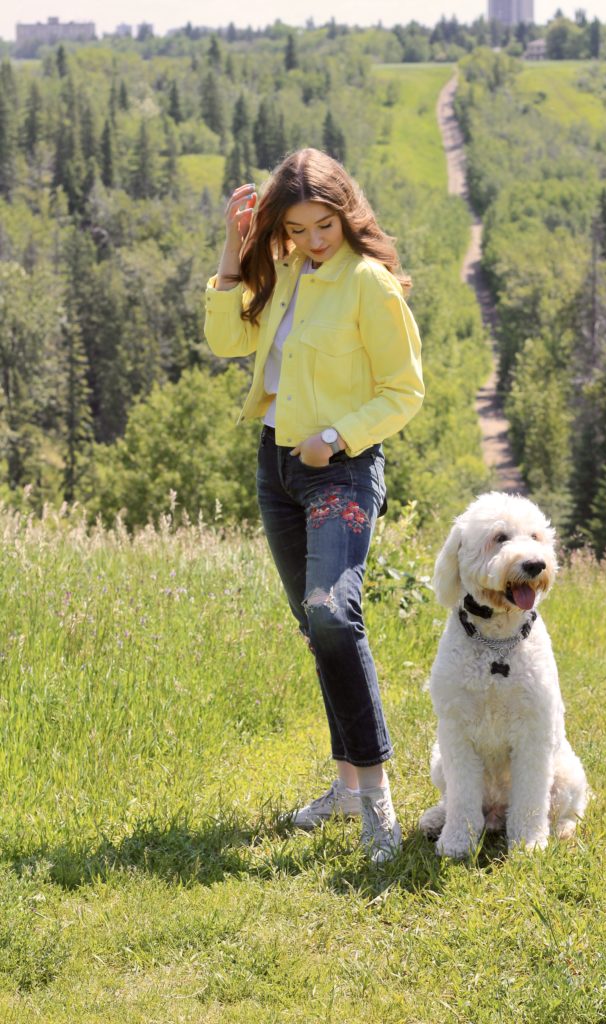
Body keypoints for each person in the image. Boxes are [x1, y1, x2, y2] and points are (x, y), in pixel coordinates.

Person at [204, 148, 423, 862]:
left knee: (334, 612)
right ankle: (347, 787)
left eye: (323, 223)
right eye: (296, 227)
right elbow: (225, 339)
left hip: (342, 470)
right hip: (276, 466)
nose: (311, 239)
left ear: (345, 211)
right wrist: (235, 257)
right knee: (313, 625)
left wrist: (336, 437)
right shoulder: (287, 273)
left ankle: (378, 804)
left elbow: (403, 392)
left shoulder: (371, 284)